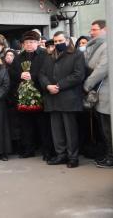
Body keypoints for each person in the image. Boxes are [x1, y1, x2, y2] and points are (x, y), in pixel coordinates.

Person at [39, 31, 85, 168]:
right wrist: (47, 85)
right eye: (56, 41)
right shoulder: (49, 55)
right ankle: (61, 155)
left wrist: (59, 85)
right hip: (52, 97)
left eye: (60, 41)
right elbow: (41, 73)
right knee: (56, 129)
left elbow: (78, 75)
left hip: (68, 98)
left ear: (67, 40)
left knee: (70, 130)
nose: (58, 44)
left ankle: (73, 157)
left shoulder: (77, 54)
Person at [10, 31, 53, 160]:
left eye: (32, 42)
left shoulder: (45, 55)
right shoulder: (18, 57)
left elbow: (48, 72)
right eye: (27, 42)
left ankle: (48, 151)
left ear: (38, 43)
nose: (29, 44)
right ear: (23, 44)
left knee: (43, 125)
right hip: (24, 96)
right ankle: (28, 149)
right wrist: (20, 75)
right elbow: (11, 72)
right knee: (26, 125)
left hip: (41, 95)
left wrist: (32, 76)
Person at [84, 20, 112, 168]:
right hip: (102, 94)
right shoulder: (99, 45)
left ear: (105, 29)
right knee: (104, 129)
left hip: (107, 93)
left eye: (94, 29)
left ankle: (111, 158)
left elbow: (101, 69)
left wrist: (86, 85)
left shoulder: (108, 46)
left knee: (108, 129)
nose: (91, 32)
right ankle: (108, 155)